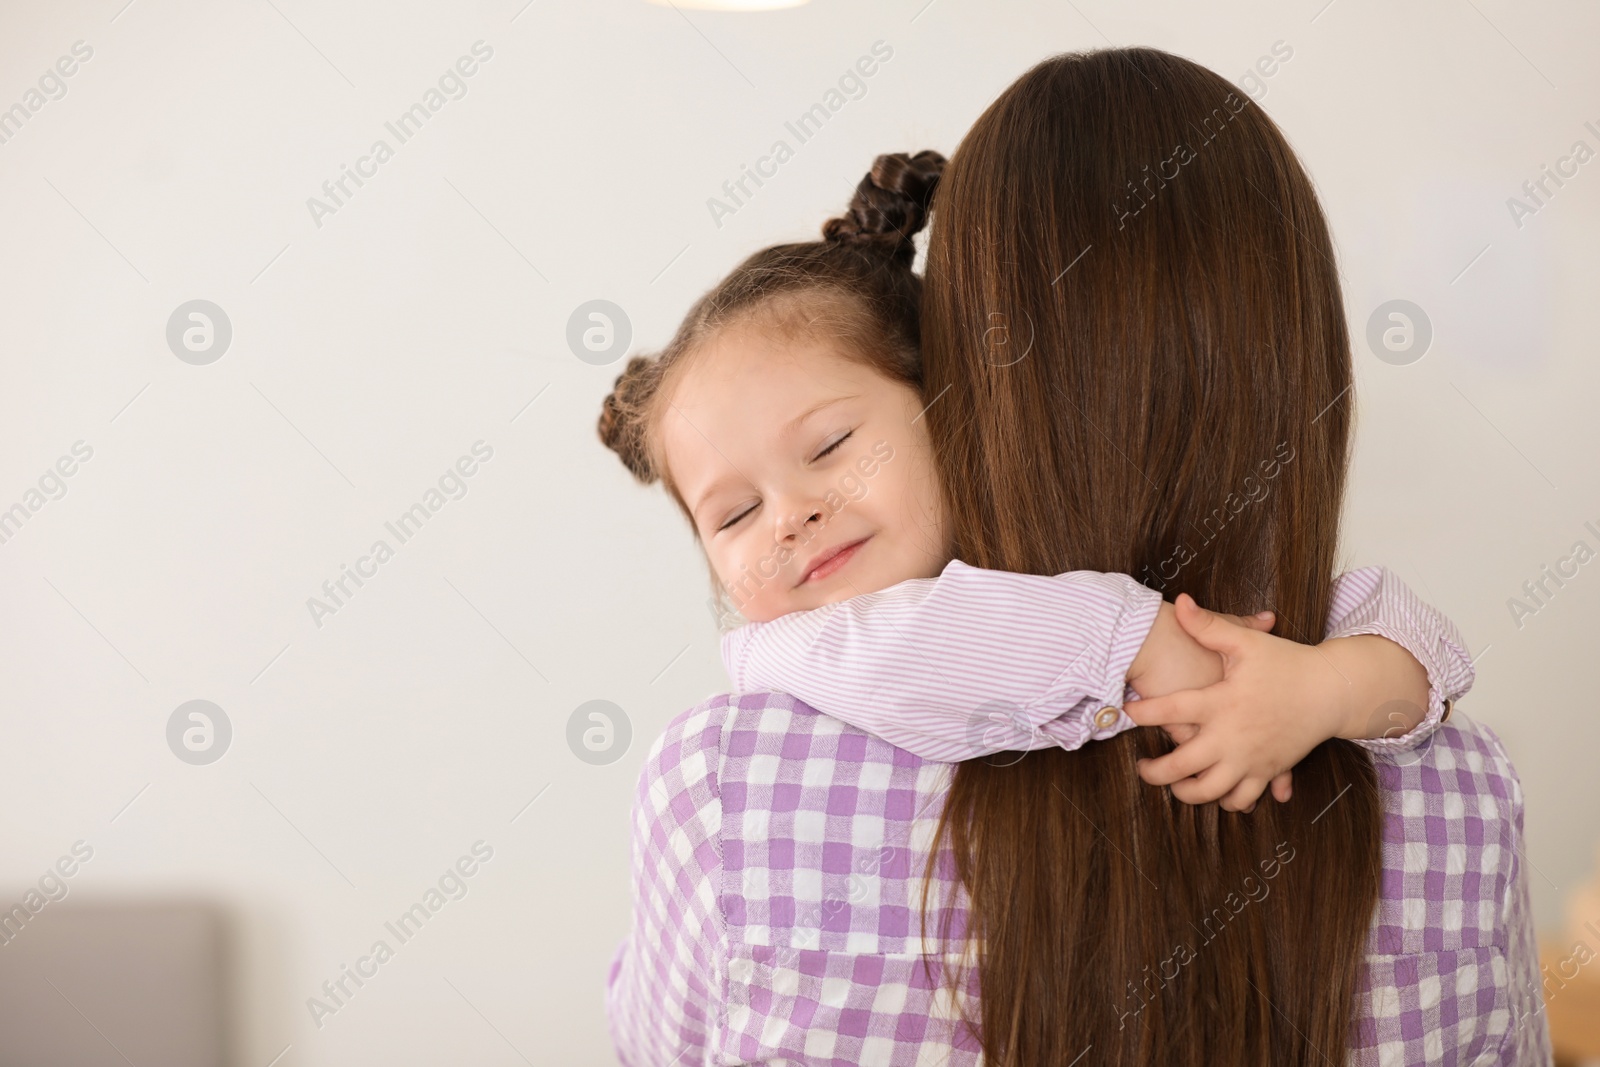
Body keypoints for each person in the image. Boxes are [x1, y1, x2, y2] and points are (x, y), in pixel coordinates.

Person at [604, 48, 1548, 1066]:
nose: (788, 520)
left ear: (951, 396)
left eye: (832, 446)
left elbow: (1412, 643)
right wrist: (1170, 645)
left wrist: (1326, 684)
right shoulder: (1466, 804)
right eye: (733, 515)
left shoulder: (727, 789)